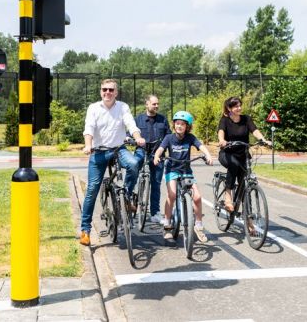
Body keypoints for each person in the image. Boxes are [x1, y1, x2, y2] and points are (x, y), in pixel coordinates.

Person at [80, 79, 145, 246]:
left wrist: (138, 138)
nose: (107, 92)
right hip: (99, 152)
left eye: (110, 90)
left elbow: (131, 124)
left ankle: (127, 196)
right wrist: (88, 145)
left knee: (133, 164)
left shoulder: (122, 107)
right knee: (92, 188)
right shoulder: (94, 108)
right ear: (100, 91)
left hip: (118, 149)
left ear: (116, 92)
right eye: (104, 90)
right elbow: (89, 128)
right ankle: (85, 230)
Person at [153, 111, 213, 243]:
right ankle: (167, 224)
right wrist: (157, 156)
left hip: (186, 171)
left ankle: (198, 225)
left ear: (187, 126)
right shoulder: (169, 138)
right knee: (172, 195)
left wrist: (208, 155)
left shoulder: (190, 137)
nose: (179, 126)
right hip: (172, 170)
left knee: (197, 197)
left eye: (182, 124)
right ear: (174, 125)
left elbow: (200, 145)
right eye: (177, 123)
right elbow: (161, 149)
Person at [217, 96, 271, 215]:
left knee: (244, 184)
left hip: (243, 155)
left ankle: (249, 220)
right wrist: (222, 141)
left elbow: (254, 130)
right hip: (227, 153)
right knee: (234, 165)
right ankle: (228, 196)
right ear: (229, 108)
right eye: (236, 106)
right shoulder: (225, 120)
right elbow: (221, 131)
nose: (239, 108)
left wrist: (263, 140)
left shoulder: (246, 119)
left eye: (240, 105)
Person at [134, 95, 171, 223]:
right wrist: (130, 139)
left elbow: (169, 137)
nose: (156, 106)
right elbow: (130, 133)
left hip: (158, 155)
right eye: (154, 104)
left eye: (157, 104)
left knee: (156, 184)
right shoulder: (138, 119)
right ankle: (131, 201)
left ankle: (155, 213)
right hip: (141, 152)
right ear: (147, 104)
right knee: (133, 171)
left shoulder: (162, 119)